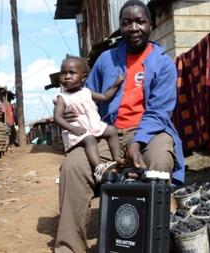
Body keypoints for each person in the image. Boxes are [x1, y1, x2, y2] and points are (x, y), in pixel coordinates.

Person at [54, 1, 185, 252]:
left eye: (140, 21)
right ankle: (68, 247)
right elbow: (86, 93)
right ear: (120, 27)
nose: (133, 27)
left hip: (149, 130)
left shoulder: (163, 63)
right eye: (126, 22)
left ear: (151, 25)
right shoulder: (106, 60)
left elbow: (159, 112)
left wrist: (137, 142)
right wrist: (72, 110)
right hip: (107, 131)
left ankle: (149, 240)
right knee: (73, 167)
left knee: (158, 160)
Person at [54, 56, 123, 182]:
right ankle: (99, 168)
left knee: (112, 130)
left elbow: (105, 96)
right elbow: (57, 118)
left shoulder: (86, 92)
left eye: (72, 73)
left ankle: (117, 158)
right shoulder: (62, 98)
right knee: (90, 140)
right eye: (63, 73)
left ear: (84, 77)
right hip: (78, 132)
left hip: (94, 126)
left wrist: (116, 84)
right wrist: (72, 128)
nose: (67, 76)